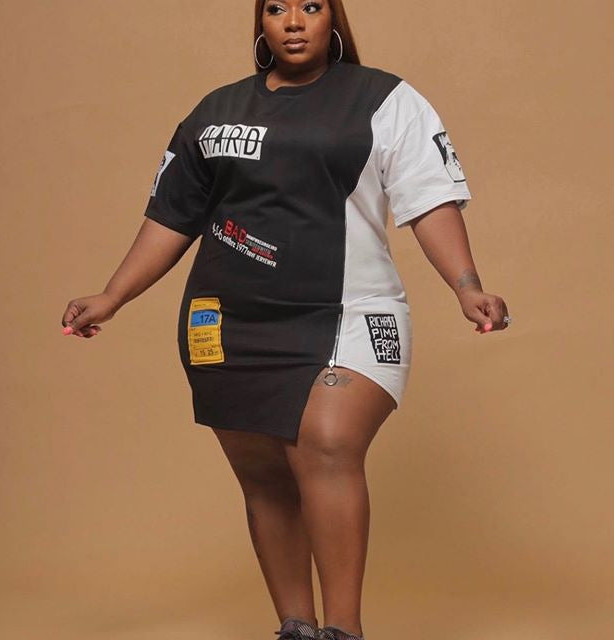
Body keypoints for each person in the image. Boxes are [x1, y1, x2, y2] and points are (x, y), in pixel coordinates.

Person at [61, 1, 511, 639]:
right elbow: (172, 216)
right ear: (260, 22)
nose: (293, 21)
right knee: (265, 478)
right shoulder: (215, 112)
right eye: (276, 7)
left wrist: (468, 286)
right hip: (229, 320)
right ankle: (296, 628)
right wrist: (112, 295)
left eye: (310, 5)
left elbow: (429, 199)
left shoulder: (384, 100)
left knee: (326, 443)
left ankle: (344, 631)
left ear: (333, 18)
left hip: (349, 312)